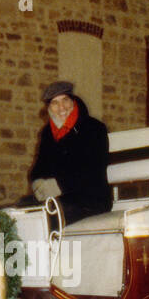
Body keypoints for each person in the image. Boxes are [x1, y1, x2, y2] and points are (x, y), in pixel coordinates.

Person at [28, 81, 112, 223]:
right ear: (48, 108)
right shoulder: (48, 133)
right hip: (59, 199)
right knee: (20, 211)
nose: (61, 108)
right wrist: (37, 182)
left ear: (73, 101)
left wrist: (58, 185)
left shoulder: (94, 129)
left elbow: (93, 171)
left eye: (65, 100)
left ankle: (50, 246)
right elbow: (39, 167)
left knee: (44, 218)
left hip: (91, 200)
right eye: (55, 103)